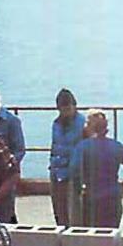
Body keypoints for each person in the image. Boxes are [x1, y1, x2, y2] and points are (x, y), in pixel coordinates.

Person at [69, 109, 123, 228]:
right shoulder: (116, 146)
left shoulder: (82, 147)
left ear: (90, 127)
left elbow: (74, 170)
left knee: (92, 238)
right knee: (110, 236)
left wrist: (79, 190)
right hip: (113, 198)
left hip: (92, 200)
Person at [48, 88, 85, 226]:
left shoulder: (83, 124)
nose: (66, 112)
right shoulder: (56, 124)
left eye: (69, 108)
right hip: (56, 171)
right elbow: (54, 145)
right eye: (63, 109)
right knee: (59, 211)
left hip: (73, 174)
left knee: (75, 214)